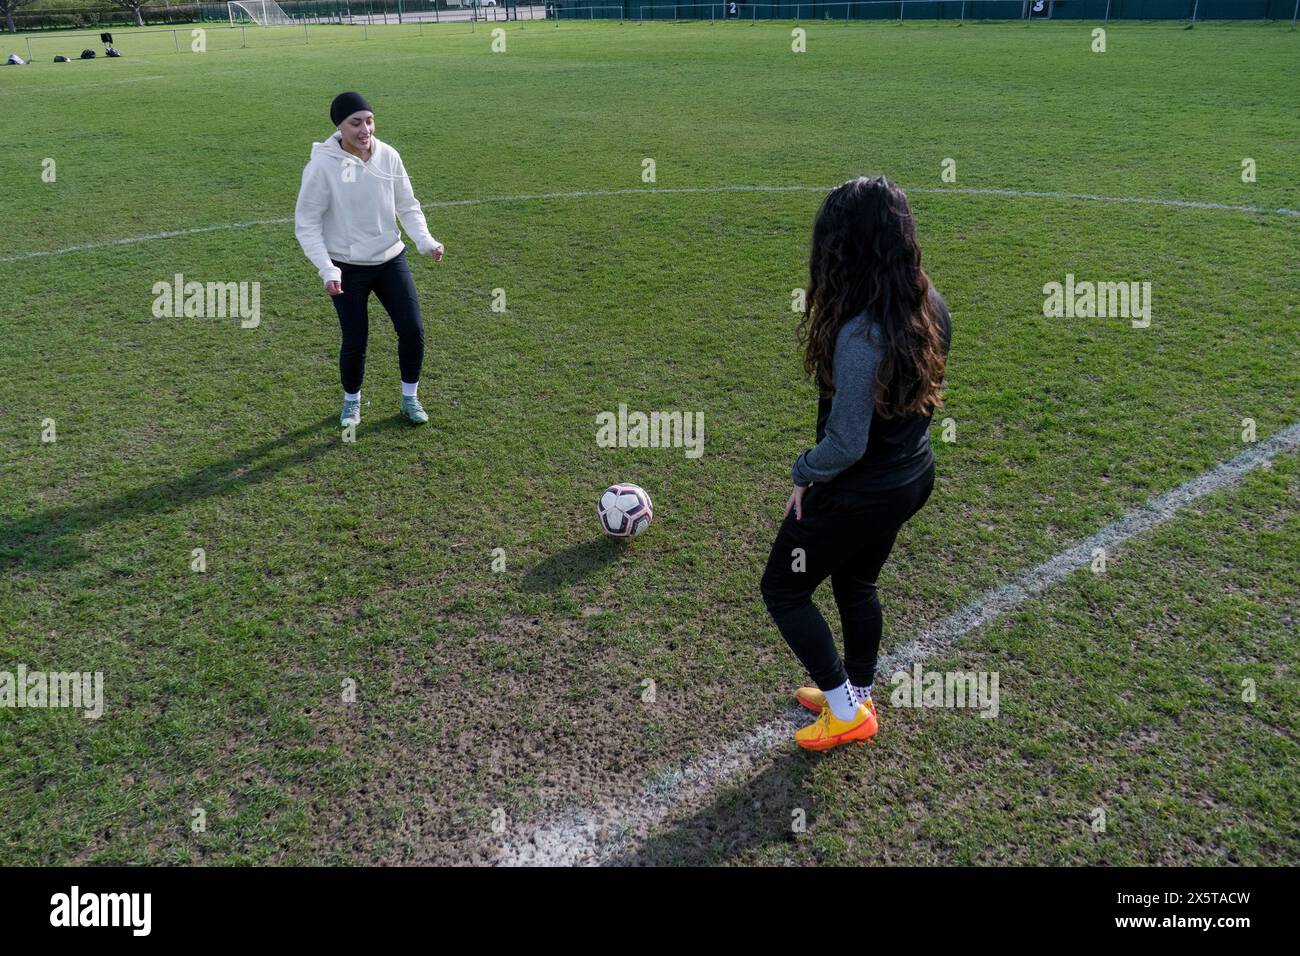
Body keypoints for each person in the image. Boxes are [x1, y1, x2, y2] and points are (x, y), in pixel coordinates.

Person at [761, 176, 952, 752]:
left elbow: (844, 444)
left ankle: (848, 713)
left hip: (862, 489)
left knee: (783, 591)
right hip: (911, 475)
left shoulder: (860, 333)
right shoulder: (927, 300)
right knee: (856, 579)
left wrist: (803, 472)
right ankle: (856, 693)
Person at [294, 91, 444, 428]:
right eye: (356, 122)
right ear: (340, 126)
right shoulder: (321, 167)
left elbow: (407, 204)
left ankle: (410, 397)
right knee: (356, 339)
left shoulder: (389, 156)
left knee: (412, 330)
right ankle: (352, 403)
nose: (365, 129)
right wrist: (327, 268)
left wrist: (425, 241)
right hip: (346, 268)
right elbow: (306, 224)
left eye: (369, 120)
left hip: (390, 259)